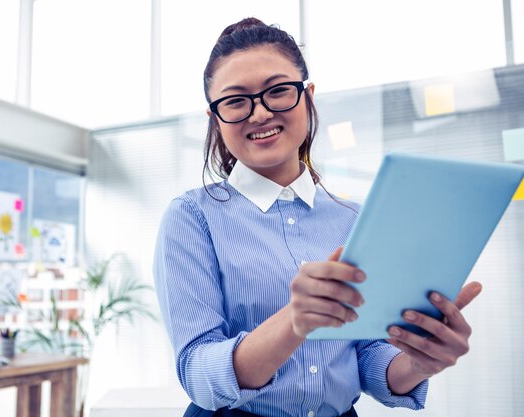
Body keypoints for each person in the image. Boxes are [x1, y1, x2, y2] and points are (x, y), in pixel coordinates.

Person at [153, 17, 482, 417]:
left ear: (308, 96)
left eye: (278, 91)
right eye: (236, 101)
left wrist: (420, 361)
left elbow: (368, 354)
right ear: (216, 119)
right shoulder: (192, 218)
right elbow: (198, 372)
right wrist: (295, 318)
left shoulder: (353, 218)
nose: (259, 113)